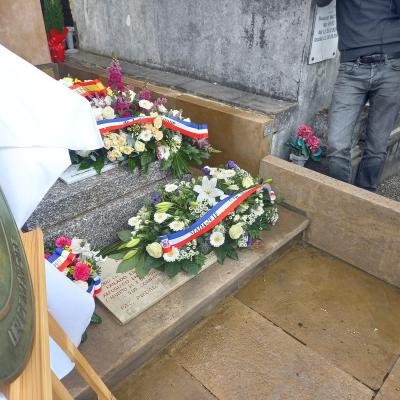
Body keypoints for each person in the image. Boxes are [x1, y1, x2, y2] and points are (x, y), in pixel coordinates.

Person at [317, 0, 400, 191]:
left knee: (377, 147)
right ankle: (342, 198)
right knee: (336, 145)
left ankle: (364, 198)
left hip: (391, 66)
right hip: (351, 68)